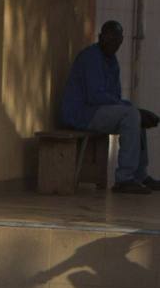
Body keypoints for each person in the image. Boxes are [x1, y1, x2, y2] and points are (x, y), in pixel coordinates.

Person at [61, 20, 160, 194]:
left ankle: (139, 175)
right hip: (82, 113)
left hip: (96, 111)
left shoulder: (111, 61)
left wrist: (136, 110)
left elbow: (114, 98)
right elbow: (95, 96)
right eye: (110, 39)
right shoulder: (90, 57)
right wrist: (132, 109)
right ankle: (124, 179)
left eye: (117, 42)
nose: (113, 44)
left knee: (136, 117)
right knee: (132, 115)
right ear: (101, 37)